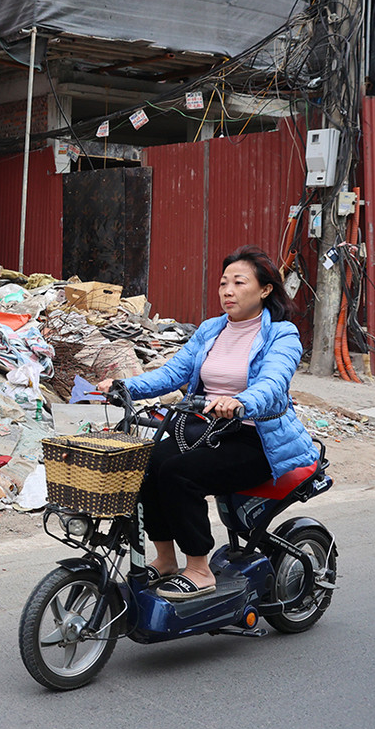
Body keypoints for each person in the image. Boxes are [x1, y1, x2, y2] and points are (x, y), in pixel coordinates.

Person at [98, 245, 317, 601]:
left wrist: (241, 402)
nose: (227, 291)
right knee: (147, 465)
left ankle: (199, 569)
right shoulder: (212, 329)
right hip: (207, 431)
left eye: (238, 282)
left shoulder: (282, 334)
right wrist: (126, 387)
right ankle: (166, 560)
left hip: (255, 439)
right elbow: (175, 372)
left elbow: (273, 384)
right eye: (222, 283)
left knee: (179, 475)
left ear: (264, 290)